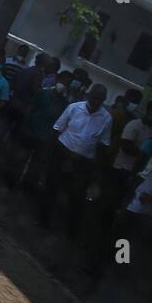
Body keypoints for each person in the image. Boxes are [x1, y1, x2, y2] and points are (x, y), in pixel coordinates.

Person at [46, 82, 113, 234]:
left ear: (103, 101)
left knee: (75, 194)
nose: (96, 102)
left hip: (84, 161)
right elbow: (57, 128)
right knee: (52, 184)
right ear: (89, 96)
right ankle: (45, 219)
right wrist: (50, 151)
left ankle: (66, 228)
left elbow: (103, 145)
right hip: (63, 151)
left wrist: (97, 168)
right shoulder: (74, 107)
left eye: (100, 100)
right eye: (94, 98)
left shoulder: (107, 118)